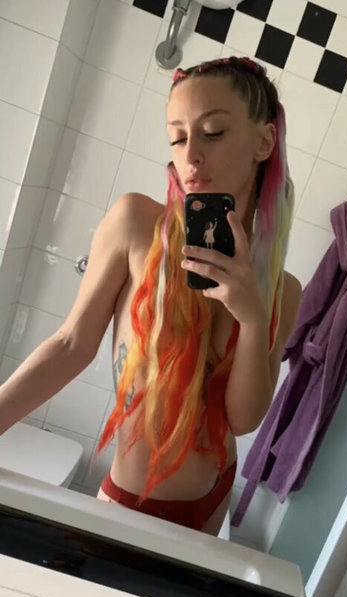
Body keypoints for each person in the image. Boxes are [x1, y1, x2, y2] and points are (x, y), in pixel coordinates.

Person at [0, 56, 302, 537]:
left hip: (212, 497)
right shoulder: (137, 225)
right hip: (128, 499)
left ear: (264, 142)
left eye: (213, 132)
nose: (191, 155)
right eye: (178, 138)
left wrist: (251, 316)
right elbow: (71, 344)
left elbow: (242, 419)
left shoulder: (282, 288)